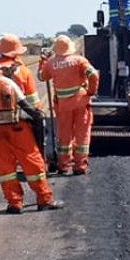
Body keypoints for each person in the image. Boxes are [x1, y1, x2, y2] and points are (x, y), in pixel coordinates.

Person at [0, 34, 63, 214]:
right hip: (19, 126)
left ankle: (14, 203)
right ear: (15, 52)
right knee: (33, 164)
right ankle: (44, 199)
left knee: (5, 167)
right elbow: (34, 103)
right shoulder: (21, 71)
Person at [38, 35, 100, 175]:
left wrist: (43, 61)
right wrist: (91, 91)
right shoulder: (79, 60)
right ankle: (80, 166)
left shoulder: (52, 63)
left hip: (63, 105)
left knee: (64, 136)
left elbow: (42, 77)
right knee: (82, 135)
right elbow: (93, 75)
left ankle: (64, 165)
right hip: (81, 102)